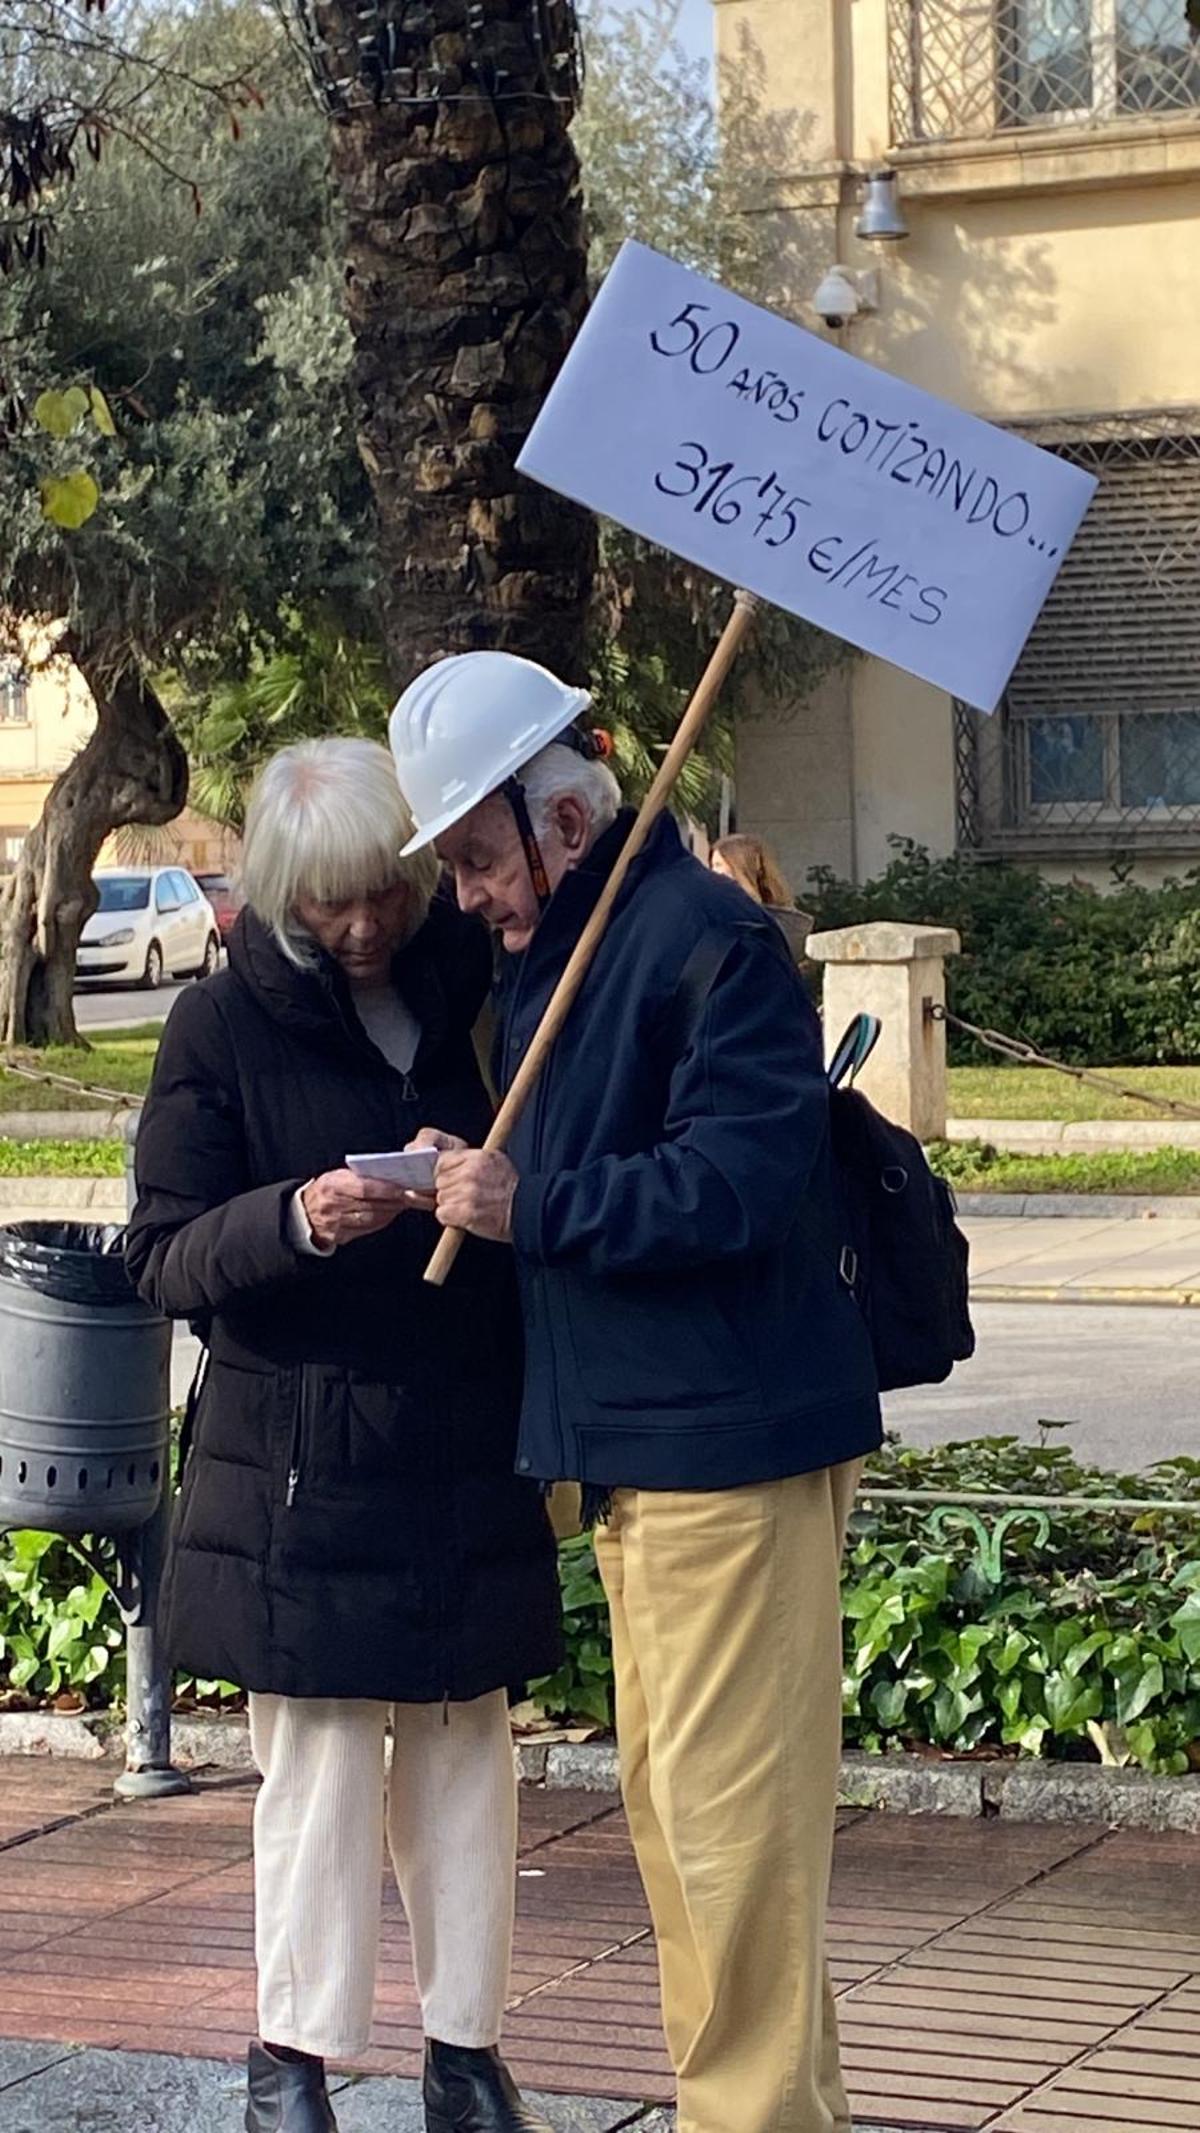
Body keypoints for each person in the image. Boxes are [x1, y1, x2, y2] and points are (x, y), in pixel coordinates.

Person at [389, 654, 884, 2133]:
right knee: (689, 1838)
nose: (470, 893)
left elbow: (732, 1184)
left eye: (478, 857)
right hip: (652, 1455)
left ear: (560, 813)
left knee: (732, 1846)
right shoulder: (579, 943)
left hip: (725, 1451)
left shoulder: (709, 940)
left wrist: (525, 1203)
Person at [125, 738, 560, 2133]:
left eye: (383, 892)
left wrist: (489, 1195)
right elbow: (160, 1256)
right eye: (330, 906)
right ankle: (290, 2062)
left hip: (457, 1438)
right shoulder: (217, 1030)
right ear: (275, 895)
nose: (365, 926)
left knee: (463, 1755)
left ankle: (466, 2053)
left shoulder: (476, 987)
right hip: (300, 1461)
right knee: (312, 1771)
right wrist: (295, 1220)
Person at [710, 832, 812, 963]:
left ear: (738, 866)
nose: (712, 872)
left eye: (718, 865)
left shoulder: (784, 922)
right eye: (712, 865)